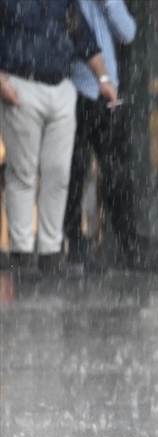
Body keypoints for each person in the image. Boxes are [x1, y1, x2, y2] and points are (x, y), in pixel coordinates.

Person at [1, 0, 117, 279]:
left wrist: (103, 78)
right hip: (21, 83)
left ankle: (52, 251)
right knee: (23, 172)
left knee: (59, 172)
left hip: (61, 86)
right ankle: (22, 251)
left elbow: (84, 37)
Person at [64, 0, 137, 271]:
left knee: (117, 170)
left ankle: (125, 240)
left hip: (108, 94)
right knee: (74, 172)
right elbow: (71, 37)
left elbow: (128, 33)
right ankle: (75, 242)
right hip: (76, 89)